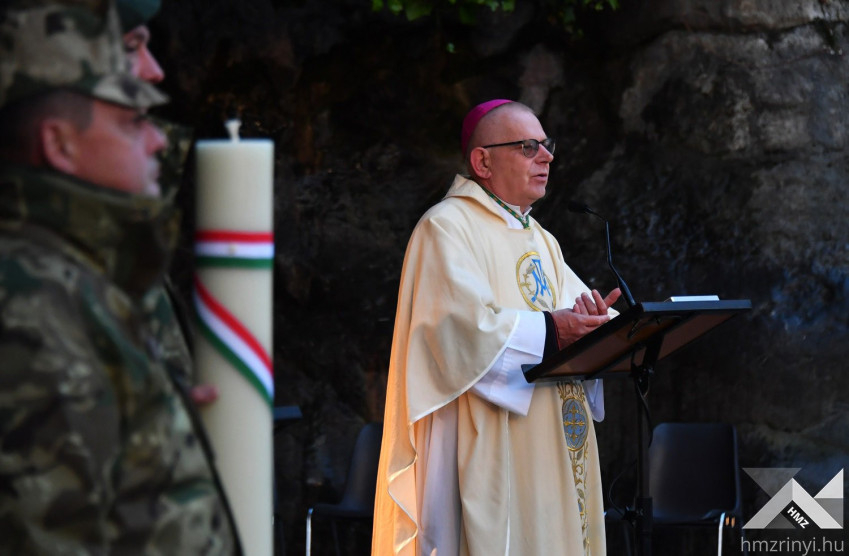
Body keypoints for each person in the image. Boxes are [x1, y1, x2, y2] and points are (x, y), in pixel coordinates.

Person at [0, 1, 240, 553]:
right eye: (133, 122)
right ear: (59, 144)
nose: (160, 141)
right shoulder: (31, 303)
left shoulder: (81, 277)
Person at [372, 99, 620, 555]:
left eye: (546, 145)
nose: (546, 157)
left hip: (553, 443)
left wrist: (603, 325)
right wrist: (555, 331)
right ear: (482, 162)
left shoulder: (541, 239)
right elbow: (461, 334)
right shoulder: (445, 228)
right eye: (528, 147)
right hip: (490, 439)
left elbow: (576, 317)